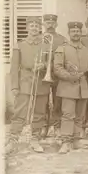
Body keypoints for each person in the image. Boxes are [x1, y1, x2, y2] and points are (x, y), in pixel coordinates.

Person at [7, 16, 52, 154]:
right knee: (20, 111)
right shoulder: (19, 45)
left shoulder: (46, 45)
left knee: (39, 112)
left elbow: (51, 63)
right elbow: (14, 68)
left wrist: (43, 65)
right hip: (25, 81)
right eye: (31, 25)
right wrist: (14, 86)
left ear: (40, 28)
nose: (34, 28)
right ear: (27, 28)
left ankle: (35, 139)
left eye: (37, 26)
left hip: (40, 82)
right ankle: (13, 140)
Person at [53, 22, 88, 153]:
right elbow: (57, 68)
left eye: (78, 31)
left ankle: (76, 140)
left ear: (81, 32)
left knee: (80, 116)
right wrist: (70, 76)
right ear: (69, 33)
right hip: (67, 87)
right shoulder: (62, 49)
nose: (76, 33)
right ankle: (66, 141)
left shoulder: (87, 51)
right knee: (68, 115)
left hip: (84, 87)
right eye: (73, 31)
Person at [40, 14, 68, 139]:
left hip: (57, 75)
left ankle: (56, 126)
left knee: (57, 101)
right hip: (42, 74)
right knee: (43, 101)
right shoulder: (39, 38)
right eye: (47, 22)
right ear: (44, 24)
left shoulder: (62, 39)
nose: (50, 24)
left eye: (52, 22)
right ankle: (43, 126)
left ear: (56, 24)